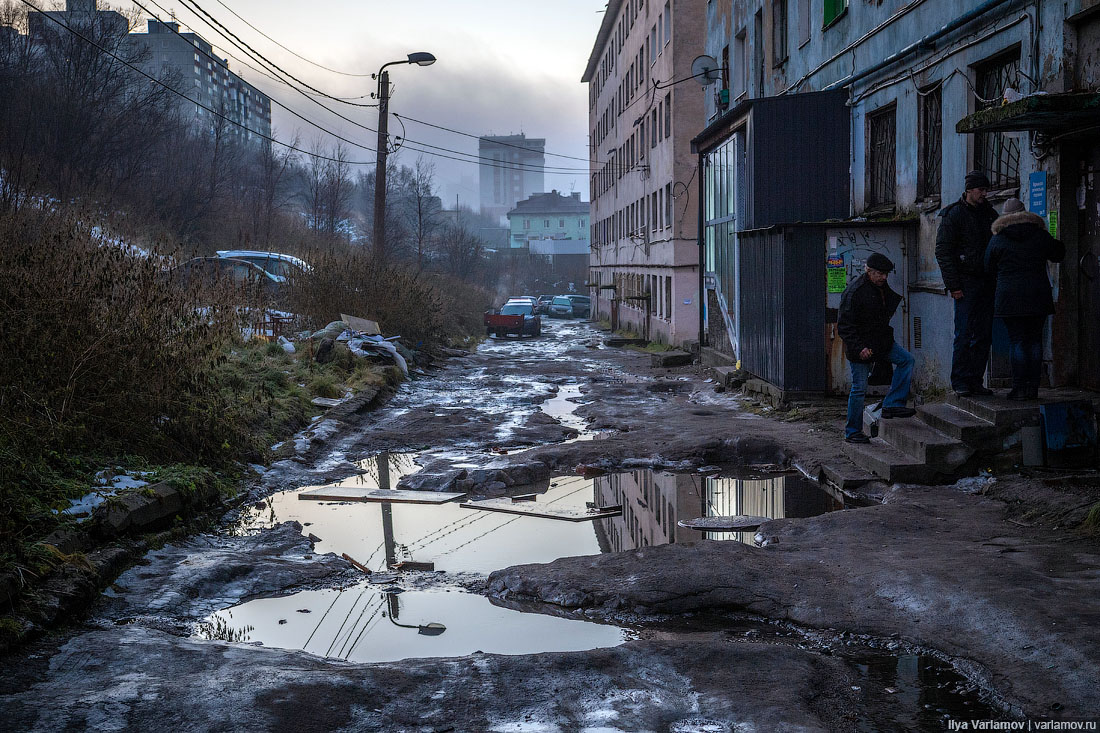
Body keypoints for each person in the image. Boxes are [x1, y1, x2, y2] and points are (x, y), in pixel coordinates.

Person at [984, 198, 1064, 400]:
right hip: (1038, 295)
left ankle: (1019, 388)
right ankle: (1033, 388)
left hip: (1009, 297)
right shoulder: (1039, 234)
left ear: (1004, 216)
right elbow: (1058, 254)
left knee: (1017, 341)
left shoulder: (998, 239)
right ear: (1024, 213)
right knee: (1035, 341)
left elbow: (988, 267)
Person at [837, 253, 916, 444]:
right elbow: (844, 326)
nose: (884, 277)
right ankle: (852, 432)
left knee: (907, 360)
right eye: (880, 274)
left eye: (886, 274)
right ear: (869, 271)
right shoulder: (855, 292)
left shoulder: (878, 287)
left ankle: (892, 404)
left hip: (880, 343)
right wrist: (859, 348)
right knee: (859, 389)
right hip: (862, 348)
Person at [935, 170, 999, 397]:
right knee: (964, 333)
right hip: (965, 283)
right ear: (969, 190)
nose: (984, 193)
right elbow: (943, 251)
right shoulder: (954, 215)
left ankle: (975, 380)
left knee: (983, 334)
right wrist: (954, 286)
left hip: (986, 283)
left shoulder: (989, 214)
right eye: (981, 189)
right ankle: (961, 381)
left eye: (985, 190)